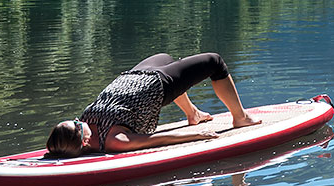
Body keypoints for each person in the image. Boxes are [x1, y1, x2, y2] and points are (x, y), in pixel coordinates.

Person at [46, 52, 258, 157]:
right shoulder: (115, 140)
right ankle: (240, 118)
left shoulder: (86, 121)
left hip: (134, 76)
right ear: (84, 142)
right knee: (214, 62)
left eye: (75, 121)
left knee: (164, 56)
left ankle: (193, 113)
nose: (78, 120)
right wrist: (197, 136)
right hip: (158, 85)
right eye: (77, 125)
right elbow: (156, 139)